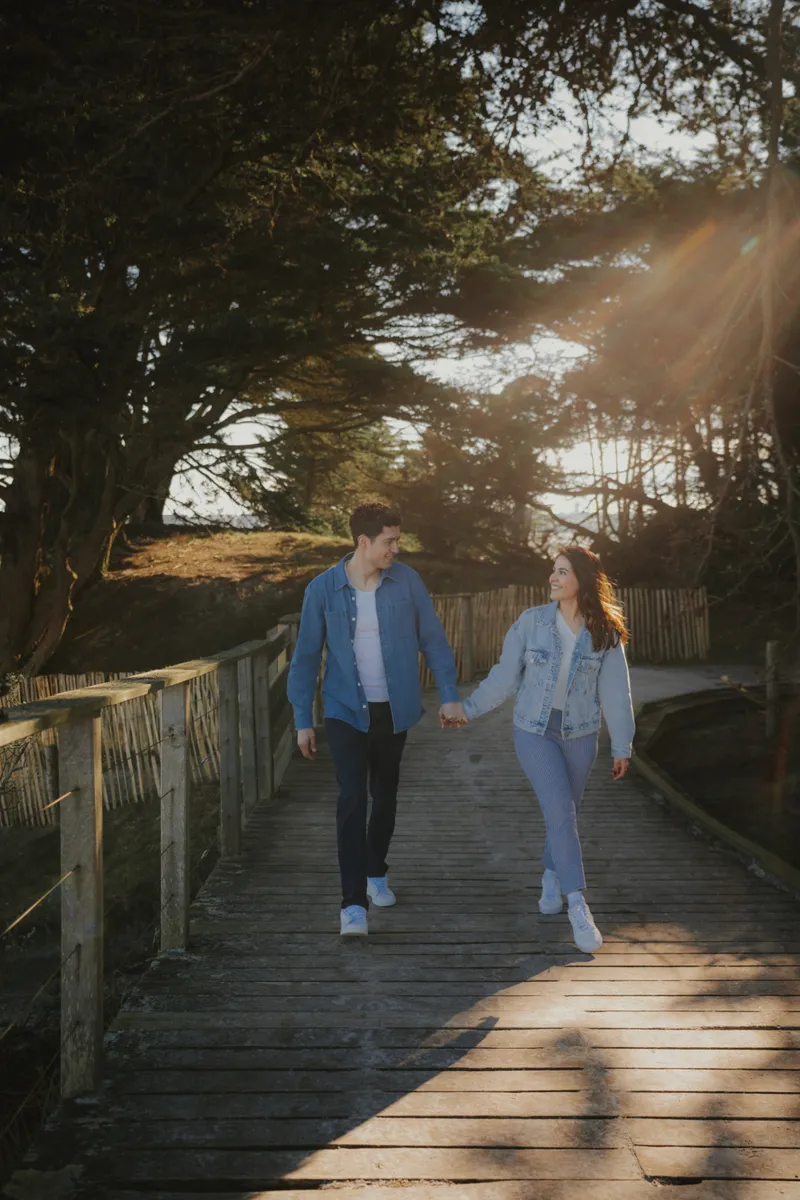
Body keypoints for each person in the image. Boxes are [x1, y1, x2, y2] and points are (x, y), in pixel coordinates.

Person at [441, 546, 634, 953]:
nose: (552, 578)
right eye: (553, 571)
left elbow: (617, 694)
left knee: (564, 812)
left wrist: (622, 744)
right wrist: (468, 710)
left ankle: (552, 874)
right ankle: (578, 904)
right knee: (561, 812)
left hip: (581, 734)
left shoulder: (605, 634)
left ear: (581, 579)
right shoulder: (531, 624)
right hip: (533, 731)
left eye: (562, 572)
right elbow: (503, 678)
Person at [288, 502, 463, 937]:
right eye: (389, 541)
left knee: (384, 794)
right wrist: (302, 719)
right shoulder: (322, 589)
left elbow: (434, 642)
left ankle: (376, 871)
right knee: (352, 797)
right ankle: (352, 904)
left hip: (395, 708)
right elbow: (306, 658)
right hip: (345, 709)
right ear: (364, 542)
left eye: (397, 540)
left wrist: (450, 696)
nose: (396, 550)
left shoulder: (407, 582)